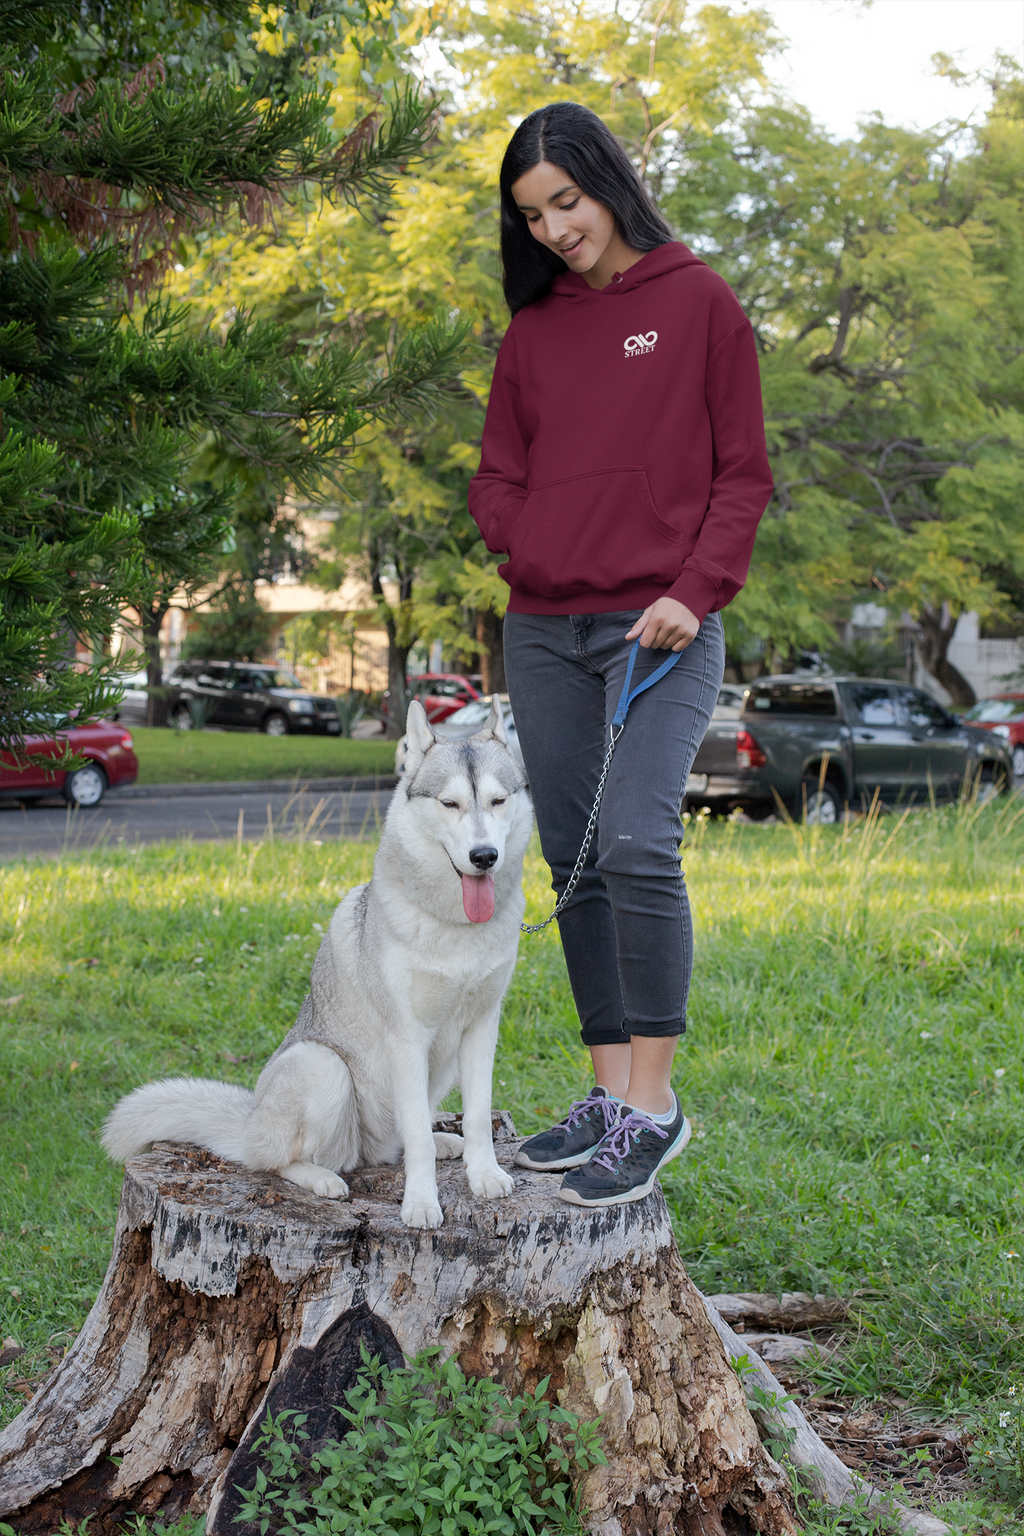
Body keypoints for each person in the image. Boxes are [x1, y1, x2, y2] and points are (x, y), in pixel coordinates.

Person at [468, 101, 772, 1209]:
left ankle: (653, 1105)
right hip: (545, 628)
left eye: (565, 201)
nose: (552, 228)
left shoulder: (696, 303)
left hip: (661, 627)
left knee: (640, 842)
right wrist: (530, 535)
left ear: (606, 182)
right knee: (574, 855)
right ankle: (604, 1097)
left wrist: (692, 594)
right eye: (531, 215)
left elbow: (742, 476)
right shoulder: (536, 331)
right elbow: (497, 476)